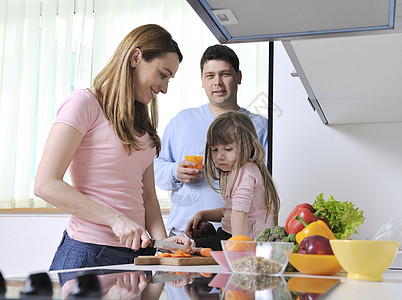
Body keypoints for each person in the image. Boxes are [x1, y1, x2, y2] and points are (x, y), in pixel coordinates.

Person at [34, 24, 194, 272]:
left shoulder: (143, 125)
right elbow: (46, 184)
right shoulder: (84, 103)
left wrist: (163, 243)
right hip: (88, 254)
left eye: (169, 79)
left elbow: (148, 197)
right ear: (135, 57)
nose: (165, 88)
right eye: (163, 75)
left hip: (137, 257)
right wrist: (115, 220)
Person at [154, 44, 268, 237]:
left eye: (225, 74)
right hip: (184, 235)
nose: (217, 82)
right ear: (202, 80)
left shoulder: (259, 127)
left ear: (238, 77)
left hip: (240, 236)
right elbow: (155, 170)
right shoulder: (182, 121)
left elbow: (267, 184)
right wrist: (176, 172)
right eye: (210, 75)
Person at [184, 111, 280, 250]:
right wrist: (202, 214)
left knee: (187, 248)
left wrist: (237, 249)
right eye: (215, 150)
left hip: (241, 240)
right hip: (232, 237)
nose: (220, 157)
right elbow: (230, 210)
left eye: (228, 149)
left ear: (249, 147)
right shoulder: (242, 170)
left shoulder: (244, 172)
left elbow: (239, 213)